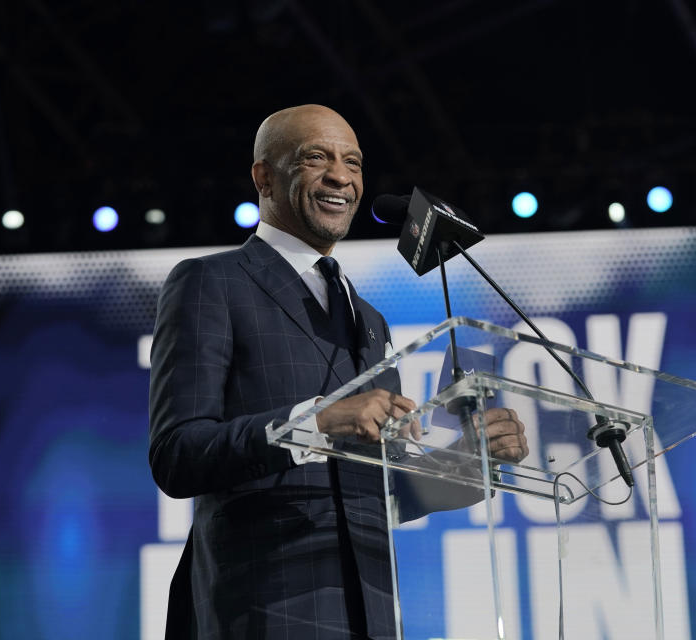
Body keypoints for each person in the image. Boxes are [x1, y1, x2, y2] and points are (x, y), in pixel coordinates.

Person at [148, 104, 528, 639]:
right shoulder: (211, 283)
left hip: (369, 616)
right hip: (262, 612)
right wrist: (317, 421)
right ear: (264, 177)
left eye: (354, 162)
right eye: (315, 157)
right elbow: (177, 455)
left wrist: (468, 462)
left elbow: (383, 494)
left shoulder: (369, 320)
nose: (341, 176)